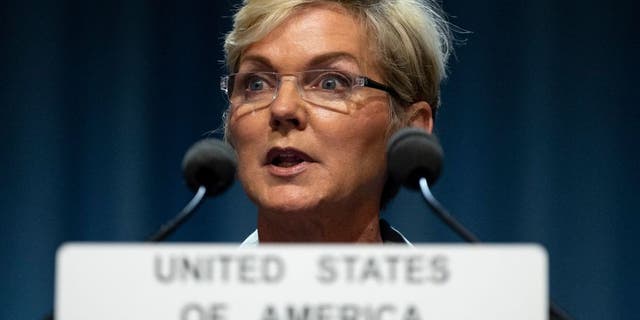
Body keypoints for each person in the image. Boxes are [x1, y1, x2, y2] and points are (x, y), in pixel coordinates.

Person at [220, 0, 451, 243]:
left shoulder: (469, 283)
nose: (282, 108)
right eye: (256, 84)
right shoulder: (184, 281)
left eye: (330, 83)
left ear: (410, 130)